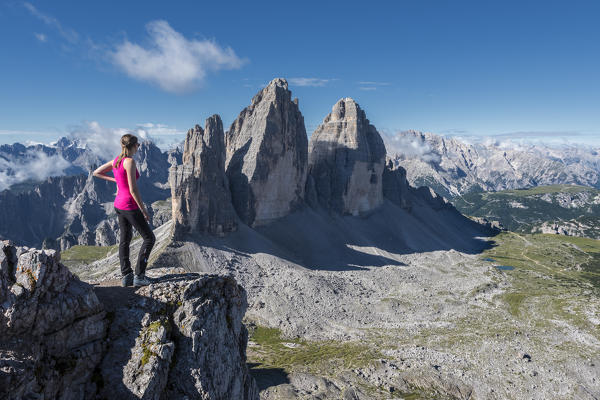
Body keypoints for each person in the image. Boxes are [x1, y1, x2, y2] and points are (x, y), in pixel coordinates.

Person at [92, 134, 155, 287]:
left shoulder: (116, 160)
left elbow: (96, 172)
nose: (139, 147)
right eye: (138, 145)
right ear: (133, 146)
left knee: (124, 240)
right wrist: (144, 210)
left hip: (118, 205)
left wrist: (116, 180)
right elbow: (133, 190)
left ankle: (126, 276)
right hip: (129, 206)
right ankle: (139, 276)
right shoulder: (130, 162)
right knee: (149, 239)